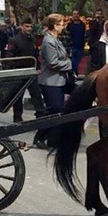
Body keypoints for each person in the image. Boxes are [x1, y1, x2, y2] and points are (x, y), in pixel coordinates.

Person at [32, 13, 72, 149]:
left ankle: (53, 140)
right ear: (55, 26)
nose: (63, 27)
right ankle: (40, 136)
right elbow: (53, 63)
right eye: (61, 24)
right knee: (54, 109)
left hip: (59, 81)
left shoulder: (56, 39)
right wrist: (69, 64)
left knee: (58, 111)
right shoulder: (48, 41)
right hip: (50, 81)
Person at [6, 18, 45, 123]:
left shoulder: (31, 39)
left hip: (31, 70)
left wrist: (37, 68)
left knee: (36, 93)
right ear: (21, 26)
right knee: (18, 96)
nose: (29, 29)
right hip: (20, 70)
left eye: (30, 26)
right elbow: (9, 57)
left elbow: (35, 54)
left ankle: (40, 114)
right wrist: (14, 71)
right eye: (27, 26)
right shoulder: (14, 40)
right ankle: (17, 117)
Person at [67, 10, 87, 74]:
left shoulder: (82, 25)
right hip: (72, 46)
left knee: (79, 61)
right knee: (73, 61)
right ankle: (73, 73)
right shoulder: (69, 25)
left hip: (80, 46)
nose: (76, 15)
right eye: (74, 14)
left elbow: (84, 35)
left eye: (77, 14)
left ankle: (76, 73)